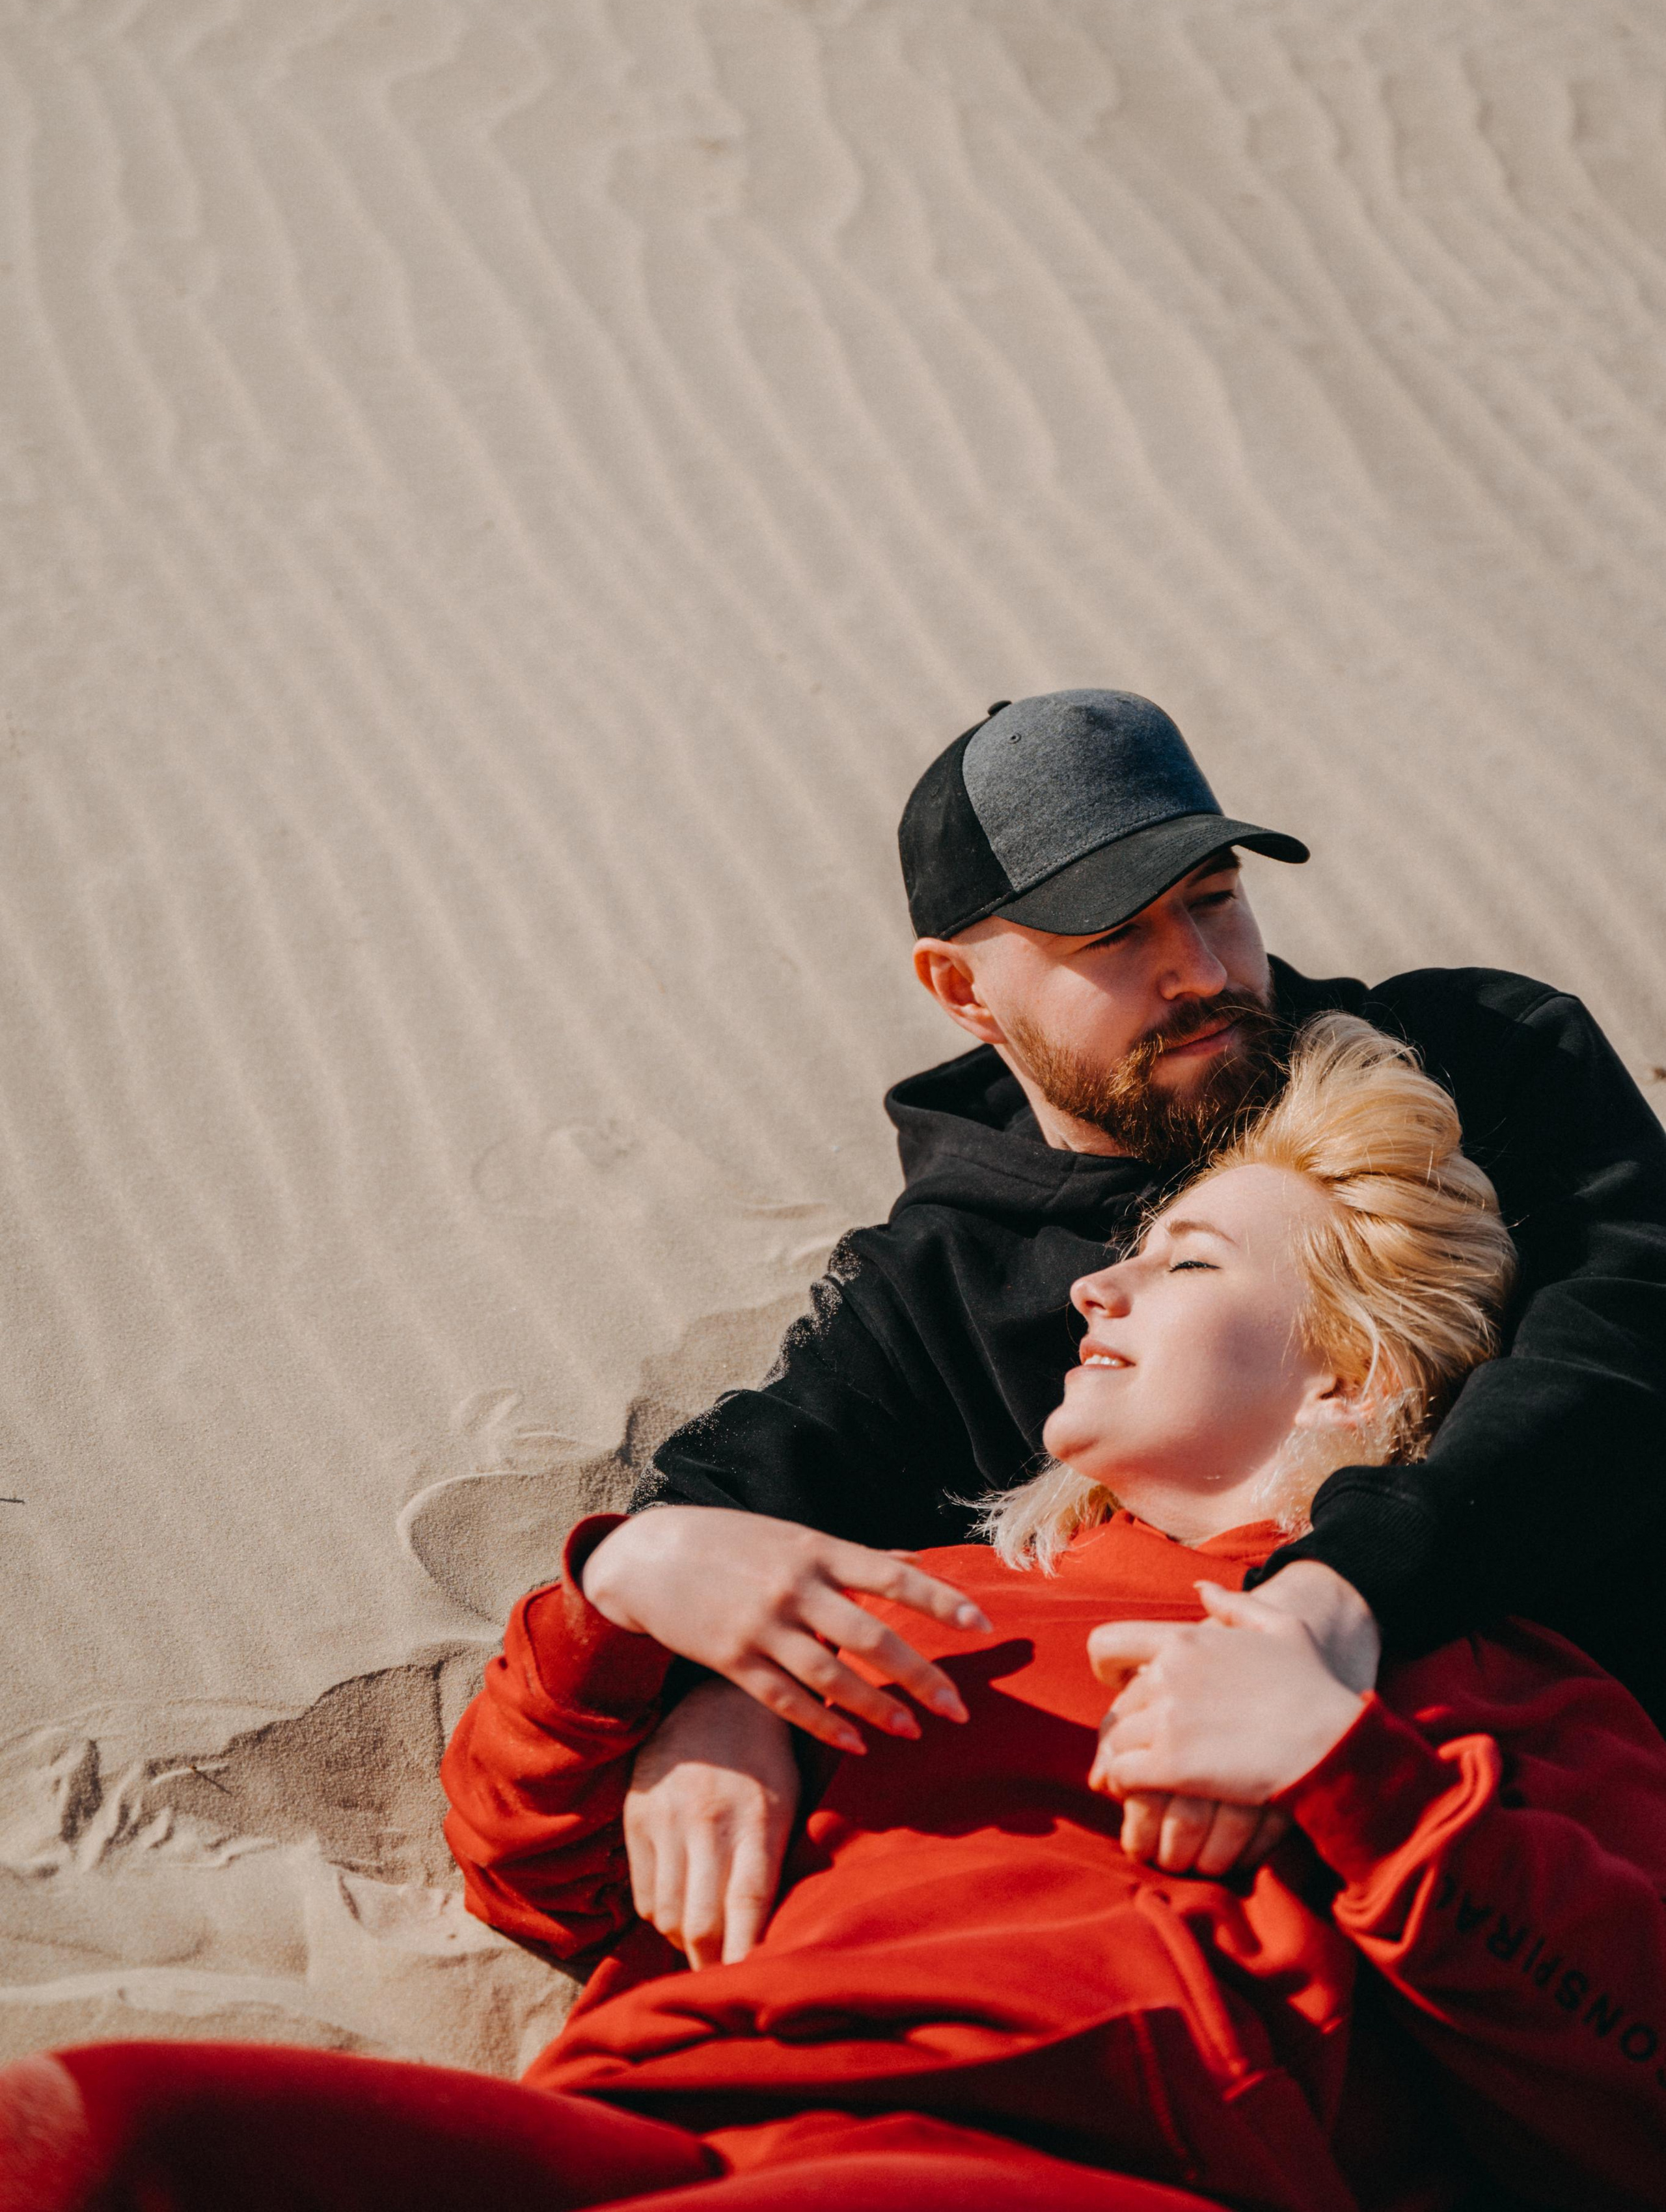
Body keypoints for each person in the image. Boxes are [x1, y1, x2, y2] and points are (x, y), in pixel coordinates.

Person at [16, 1019, 1666, 2212]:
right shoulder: (918, 1595)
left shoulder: (1473, 1679)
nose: (1092, 1289)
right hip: (656, 2115)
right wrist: (622, 1603)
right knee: (94, 2138)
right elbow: (530, 1872)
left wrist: (1354, 1780)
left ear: (1347, 1370)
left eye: (1181, 1267)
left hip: (1046, 2156)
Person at [618, 687, 1666, 1968]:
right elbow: (736, 1495)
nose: (1205, 971)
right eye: (1114, 935)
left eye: (1213, 896)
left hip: (1602, 1812)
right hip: (1318, 1949)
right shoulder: (940, 1280)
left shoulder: (1479, 1057)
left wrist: (1338, 1597)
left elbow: (1621, 1350)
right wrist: (712, 1688)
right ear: (960, 988)